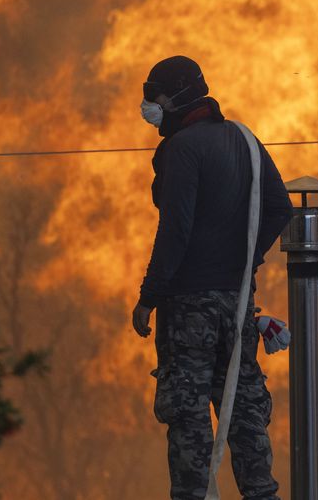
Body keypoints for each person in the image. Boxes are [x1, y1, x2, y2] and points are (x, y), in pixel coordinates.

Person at [130, 55, 293, 500]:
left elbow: (175, 230)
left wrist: (149, 296)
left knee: (188, 417)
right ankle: (262, 494)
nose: (149, 105)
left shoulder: (181, 149)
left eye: (154, 95)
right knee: (243, 407)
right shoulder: (244, 139)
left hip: (188, 308)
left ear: (178, 96)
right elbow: (280, 208)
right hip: (238, 302)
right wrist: (244, 260)